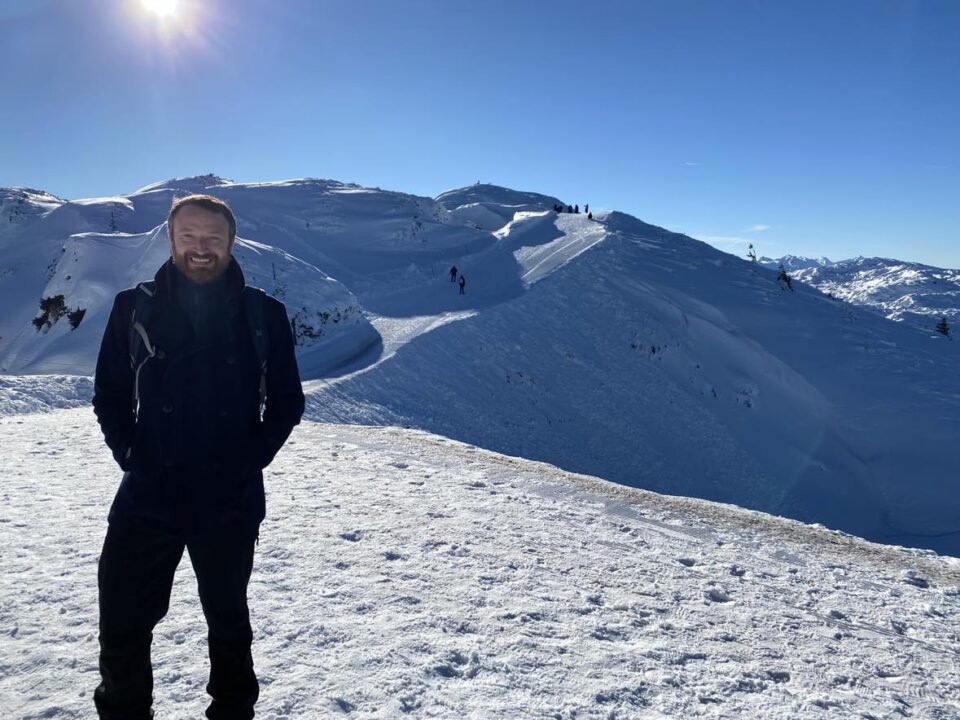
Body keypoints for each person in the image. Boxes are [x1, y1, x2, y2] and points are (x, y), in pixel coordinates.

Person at [91, 194, 305, 719]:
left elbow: (286, 401)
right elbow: (110, 394)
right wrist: (131, 454)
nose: (200, 248)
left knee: (228, 622)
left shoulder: (263, 313)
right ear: (170, 238)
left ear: (231, 242)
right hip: (148, 489)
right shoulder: (132, 306)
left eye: (212, 238)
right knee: (122, 621)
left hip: (228, 493)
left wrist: (249, 458)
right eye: (188, 236)